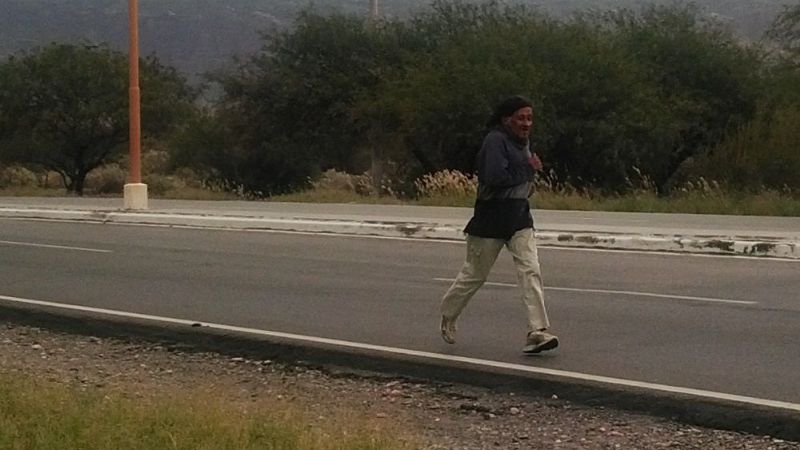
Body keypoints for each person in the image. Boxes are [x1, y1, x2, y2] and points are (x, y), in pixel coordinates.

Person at [439, 95, 558, 354]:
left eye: (530, 118)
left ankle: (537, 331)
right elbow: (494, 177)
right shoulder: (495, 141)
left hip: (519, 219)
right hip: (490, 221)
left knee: (531, 270)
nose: (527, 123)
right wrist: (528, 170)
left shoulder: (523, 142)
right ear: (507, 120)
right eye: (521, 118)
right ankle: (448, 314)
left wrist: (528, 183)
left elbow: (520, 181)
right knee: (474, 276)